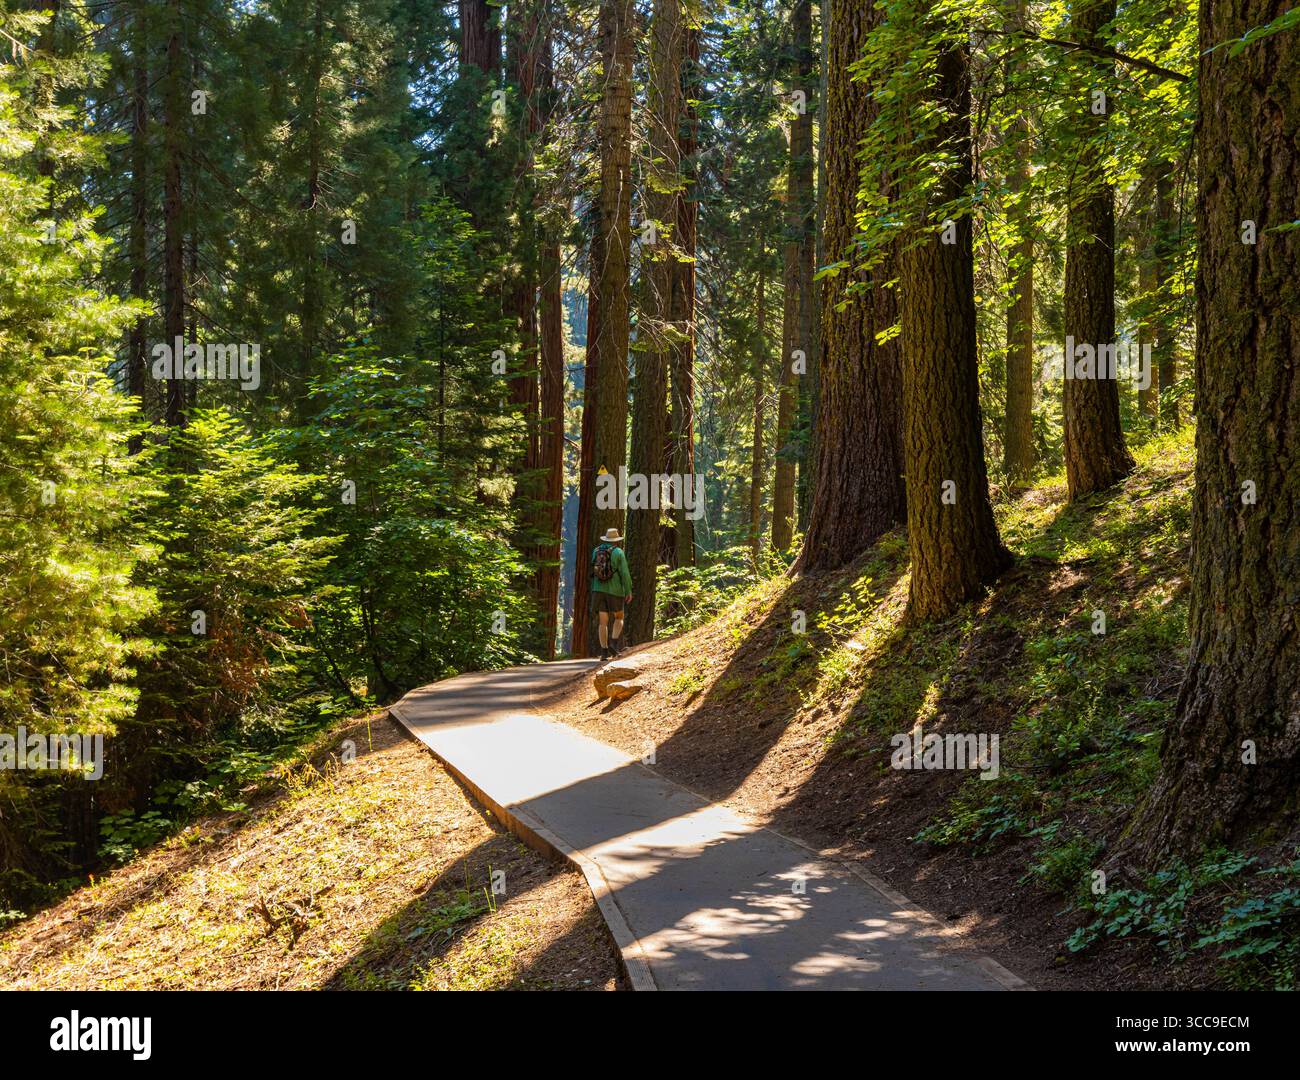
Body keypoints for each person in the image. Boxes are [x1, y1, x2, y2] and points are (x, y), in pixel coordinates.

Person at [591, 526, 633, 660]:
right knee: (619, 617)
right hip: (615, 590)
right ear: (616, 540)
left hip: (598, 589)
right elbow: (625, 573)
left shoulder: (596, 551)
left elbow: (594, 569)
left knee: (602, 622)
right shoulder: (618, 552)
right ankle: (613, 643)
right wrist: (628, 590)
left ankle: (603, 652)